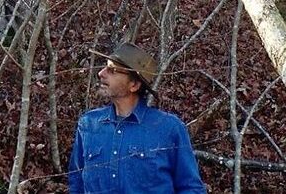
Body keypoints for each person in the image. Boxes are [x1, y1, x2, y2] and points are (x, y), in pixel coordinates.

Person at [68, 42, 206, 193]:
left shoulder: (169, 129)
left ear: (134, 84)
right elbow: (76, 182)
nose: (101, 73)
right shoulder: (88, 124)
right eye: (105, 67)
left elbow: (191, 188)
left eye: (112, 70)